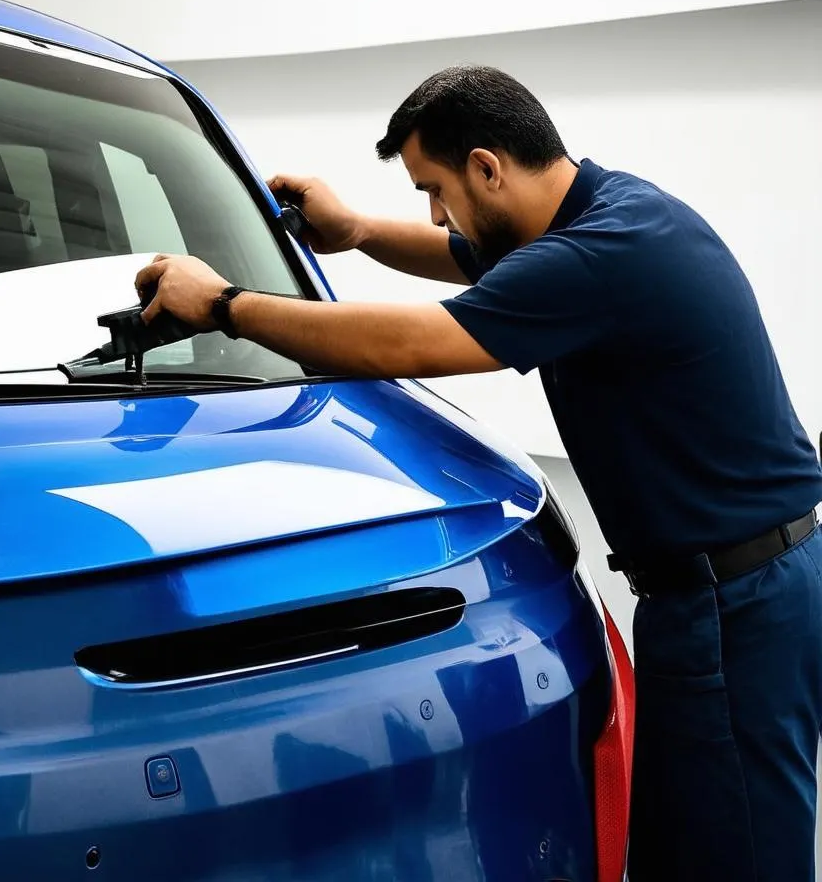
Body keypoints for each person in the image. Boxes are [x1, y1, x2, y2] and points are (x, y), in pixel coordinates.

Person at [135, 65, 822, 881]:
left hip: (732, 607)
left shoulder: (601, 256)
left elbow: (413, 344)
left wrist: (223, 305)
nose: (436, 213)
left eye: (436, 188)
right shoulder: (606, 215)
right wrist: (356, 231)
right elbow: (470, 255)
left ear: (488, 167)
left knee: (735, 856)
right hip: (737, 584)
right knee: (687, 846)